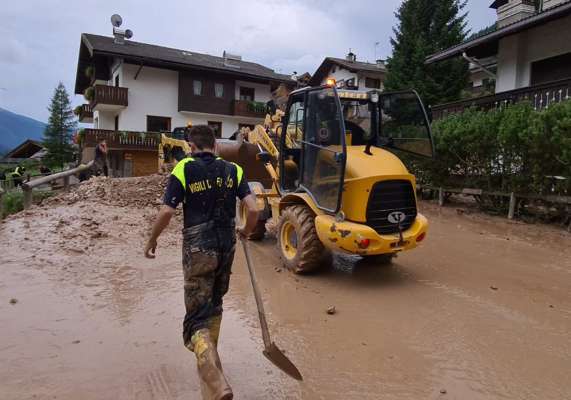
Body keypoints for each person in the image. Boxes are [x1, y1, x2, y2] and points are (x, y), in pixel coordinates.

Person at [144, 125, 259, 400]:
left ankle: (213, 376)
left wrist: (152, 240)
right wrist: (245, 231)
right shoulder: (234, 170)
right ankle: (212, 369)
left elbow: (167, 211)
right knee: (215, 304)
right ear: (216, 147)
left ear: (191, 147)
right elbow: (254, 209)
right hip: (226, 244)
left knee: (196, 319)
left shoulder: (184, 168)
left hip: (198, 245)